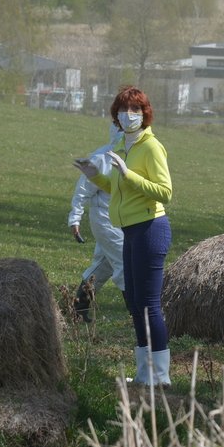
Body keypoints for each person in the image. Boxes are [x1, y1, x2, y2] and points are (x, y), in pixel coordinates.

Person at [74, 86, 173, 386]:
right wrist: (96, 176)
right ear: (115, 116)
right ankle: (145, 374)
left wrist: (129, 174)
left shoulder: (151, 147)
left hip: (149, 229)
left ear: (145, 115)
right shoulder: (125, 148)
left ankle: (161, 376)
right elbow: (120, 190)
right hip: (130, 231)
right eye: (123, 110)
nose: (128, 115)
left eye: (135, 110)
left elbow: (165, 192)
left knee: (149, 305)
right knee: (135, 303)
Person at [66, 123, 126, 322]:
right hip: (105, 219)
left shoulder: (135, 155)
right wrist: (75, 218)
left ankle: (77, 308)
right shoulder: (101, 157)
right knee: (126, 263)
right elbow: (82, 190)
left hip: (125, 218)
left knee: (104, 265)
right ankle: (138, 314)